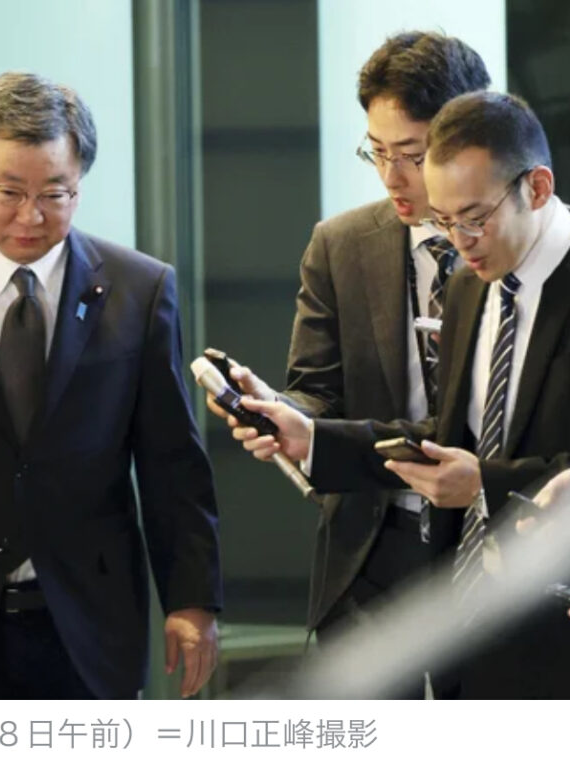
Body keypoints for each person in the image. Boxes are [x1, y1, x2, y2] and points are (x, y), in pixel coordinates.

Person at [0, 72, 222, 700]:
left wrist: (192, 599)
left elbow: (172, 461)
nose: (31, 216)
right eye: (9, 192)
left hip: (89, 620)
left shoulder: (139, 289)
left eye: (56, 193)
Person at [227, 92, 570, 698]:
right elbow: (446, 436)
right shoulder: (471, 288)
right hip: (474, 627)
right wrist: (313, 439)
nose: (460, 241)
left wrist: (485, 485)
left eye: (475, 217)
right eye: (445, 221)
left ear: (537, 189)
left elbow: (486, 468)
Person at [207, 32, 490, 697]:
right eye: (377, 152)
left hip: (493, 541)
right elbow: (317, 392)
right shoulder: (341, 244)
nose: (392, 177)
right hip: (374, 544)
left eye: (412, 155)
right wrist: (282, 413)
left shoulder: (521, 245)